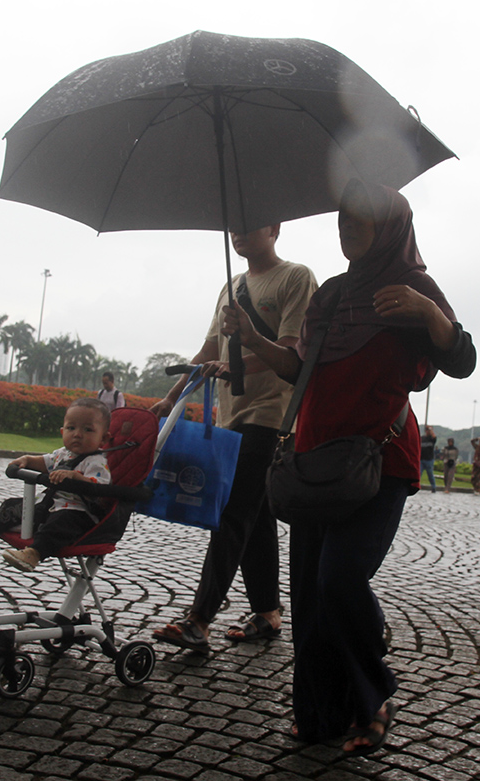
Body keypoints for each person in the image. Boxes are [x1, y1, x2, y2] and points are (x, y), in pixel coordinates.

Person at [221, 179, 475, 757]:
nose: (346, 225)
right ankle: (320, 713)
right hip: (314, 456)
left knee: (339, 579)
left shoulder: (414, 287)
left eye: (360, 217)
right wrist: (253, 333)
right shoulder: (331, 294)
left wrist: (429, 315)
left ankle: (375, 694)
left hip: (378, 463)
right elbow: (297, 369)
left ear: (390, 224)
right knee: (310, 593)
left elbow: (461, 361)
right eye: (342, 217)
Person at [150, 223, 317, 652]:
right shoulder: (231, 286)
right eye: (234, 226)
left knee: (232, 511)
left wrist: (240, 359)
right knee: (253, 516)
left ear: (274, 229)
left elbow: (291, 352)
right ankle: (267, 612)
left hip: (270, 416)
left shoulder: (296, 277)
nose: (238, 233)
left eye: (250, 224)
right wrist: (172, 398)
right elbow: (211, 349)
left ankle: (199, 619)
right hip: (230, 415)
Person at [0, 398, 112, 571]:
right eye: (71, 428)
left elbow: (99, 488)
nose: (77, 434)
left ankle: (34, 553)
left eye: (88, 430)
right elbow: (44, 462)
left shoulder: (97, 462)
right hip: (47, 505)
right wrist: (27, 460)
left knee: (59, 525)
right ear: (62, 431)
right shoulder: (63, 454)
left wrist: (75, 477)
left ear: (103, 438)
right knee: (13, 507)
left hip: (76, 511)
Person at [419, 426, 438, 493]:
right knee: (419, 473)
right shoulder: (422, 438)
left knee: (430, 475)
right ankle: (416, 486)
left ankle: (433, 487)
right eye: (427, 430)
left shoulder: (432, 439)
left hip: (429, 460)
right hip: (421, 459)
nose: (428, 431)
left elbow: (434, 437)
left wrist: (431, 430)